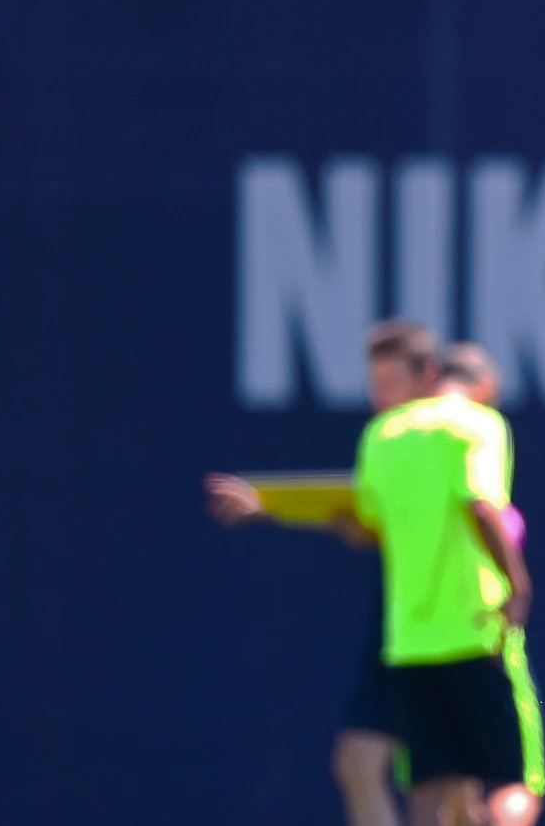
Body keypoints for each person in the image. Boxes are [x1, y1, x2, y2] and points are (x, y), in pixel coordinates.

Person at [206, 318, 442, 826]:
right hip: (396, 629)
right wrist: (269, 509)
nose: (381, 399)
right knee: (358, 765)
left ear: (427, 379)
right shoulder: (385, 441)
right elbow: (376, 523)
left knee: (439, 794)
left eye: (393, 385)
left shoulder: (452, 439)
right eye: (376, 386)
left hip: (447, 632)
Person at [352, 345, 544, 826]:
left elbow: (364, 527)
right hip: (478, 633)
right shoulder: (478, 424)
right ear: (484, 389)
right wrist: (517, 584)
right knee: (513, 784)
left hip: (410, 645)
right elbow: (481, 505)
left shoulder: (382, 433)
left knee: (428, 791)